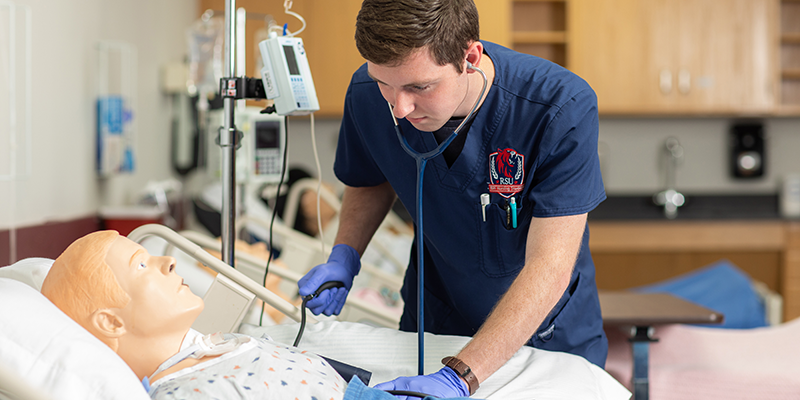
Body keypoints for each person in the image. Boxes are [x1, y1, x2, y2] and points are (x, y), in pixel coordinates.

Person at [297, 0, 607, 397]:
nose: (399, 107)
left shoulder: (559, 107)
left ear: (470, 56)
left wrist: (460, 376)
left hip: (545, 338)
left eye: (419, 87)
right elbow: (370, 176)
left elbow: (550, 265)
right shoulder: (366, 94)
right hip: (436, 320)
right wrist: (345, 254)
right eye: (384, 85)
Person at [40, 230, 349, 399]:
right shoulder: (184, 394)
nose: (169, 262)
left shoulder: (221, 346)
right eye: (142, 265)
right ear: (111, 321)